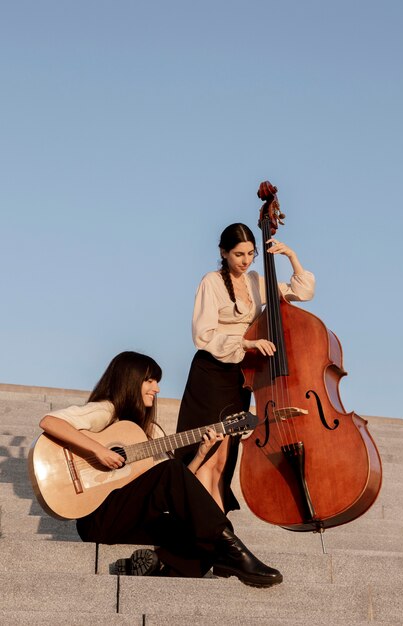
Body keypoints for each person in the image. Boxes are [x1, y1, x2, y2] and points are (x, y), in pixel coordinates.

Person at [38, 350, 282, 587]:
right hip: (97, 518)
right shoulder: (106, 411)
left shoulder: (151, 431)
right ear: (130, 380)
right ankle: (236, 552)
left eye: (157, 382)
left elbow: (169, 484)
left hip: (133, 520)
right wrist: (99, 451)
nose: (157, 388)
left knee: (202, 533)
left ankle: (159, 568)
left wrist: (200, 454)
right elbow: (49, 422)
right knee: (175, 474)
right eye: (150, 380)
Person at [175, 223, 315, 512]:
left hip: (241, 377)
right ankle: (199, 519)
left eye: (251, 253)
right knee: (207, 452)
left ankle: (216, 522)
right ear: (223, 252)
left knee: (226, 457)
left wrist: (291, 255)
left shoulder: (256, 281)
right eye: (239, 254)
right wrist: (248, 343)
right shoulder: (211, 282)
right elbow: (203, 335)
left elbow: (302, 292)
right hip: (211, 374)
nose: (246, 260)